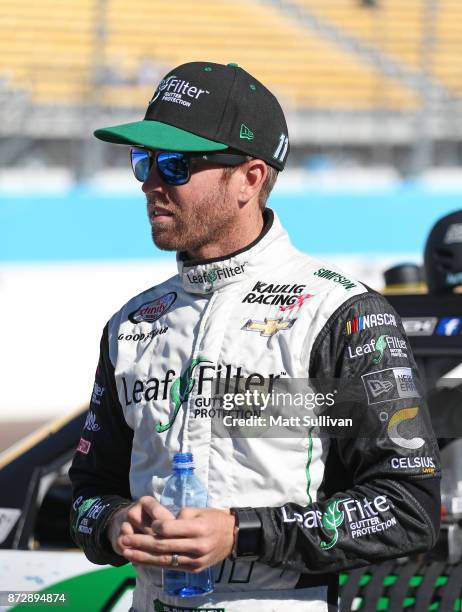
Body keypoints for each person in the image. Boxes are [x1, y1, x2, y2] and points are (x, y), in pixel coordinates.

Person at [69, 61, 441, 612]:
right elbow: (85, 497)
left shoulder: (340, 312)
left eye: (175, 163)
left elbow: (407, 505)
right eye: (142, 160)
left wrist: (240, 532)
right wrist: (118, 523)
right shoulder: (132, 324)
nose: (151, 182)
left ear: (249, 178)